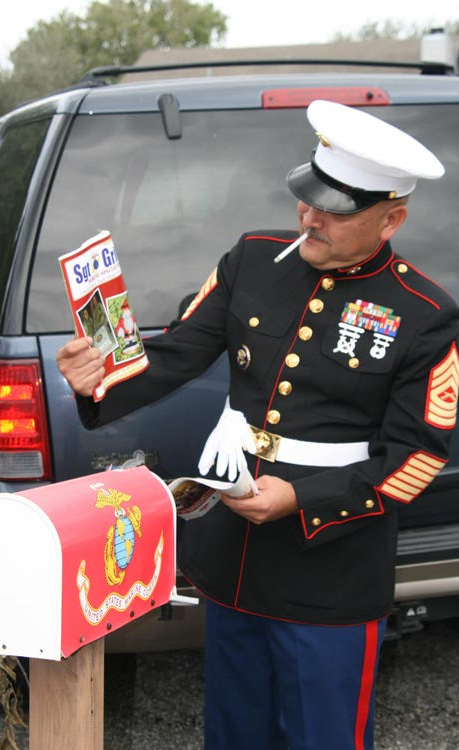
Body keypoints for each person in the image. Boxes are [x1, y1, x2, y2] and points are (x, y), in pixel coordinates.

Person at [56, 100, 459, 750]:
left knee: (322, 737)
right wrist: (97, 377)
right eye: (309, 197)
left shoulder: (423, 312)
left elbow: (415, 458)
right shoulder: (254, 259)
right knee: (234, 733)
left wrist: (299, 498)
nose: (311, 216)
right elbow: (176, 352)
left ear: (392, 220)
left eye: (337, 209)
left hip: (329, 568)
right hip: (235, 558)